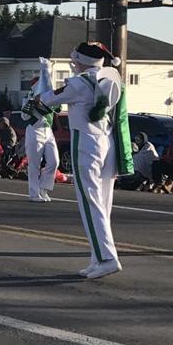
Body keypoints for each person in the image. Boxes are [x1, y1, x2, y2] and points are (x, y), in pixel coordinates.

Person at [38, 42, 130, 279]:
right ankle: (97, 257)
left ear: (81, 61)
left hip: (87, 141)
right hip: (107, 142)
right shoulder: (111, 81)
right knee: (103, 204)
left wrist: (45, 77)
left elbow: (47, 100)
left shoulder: (78, 83)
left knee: (89, 202)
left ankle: (107, 258)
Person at [21, 77, 59, 202]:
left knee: (54, 161)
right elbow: (24, 117)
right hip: (35, 130)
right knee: (34, 164)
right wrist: (32, 102)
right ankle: (34, 192)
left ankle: (44, 187)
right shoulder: (29, 99)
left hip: (48, 131)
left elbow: (57, 108)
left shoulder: (49, 98)